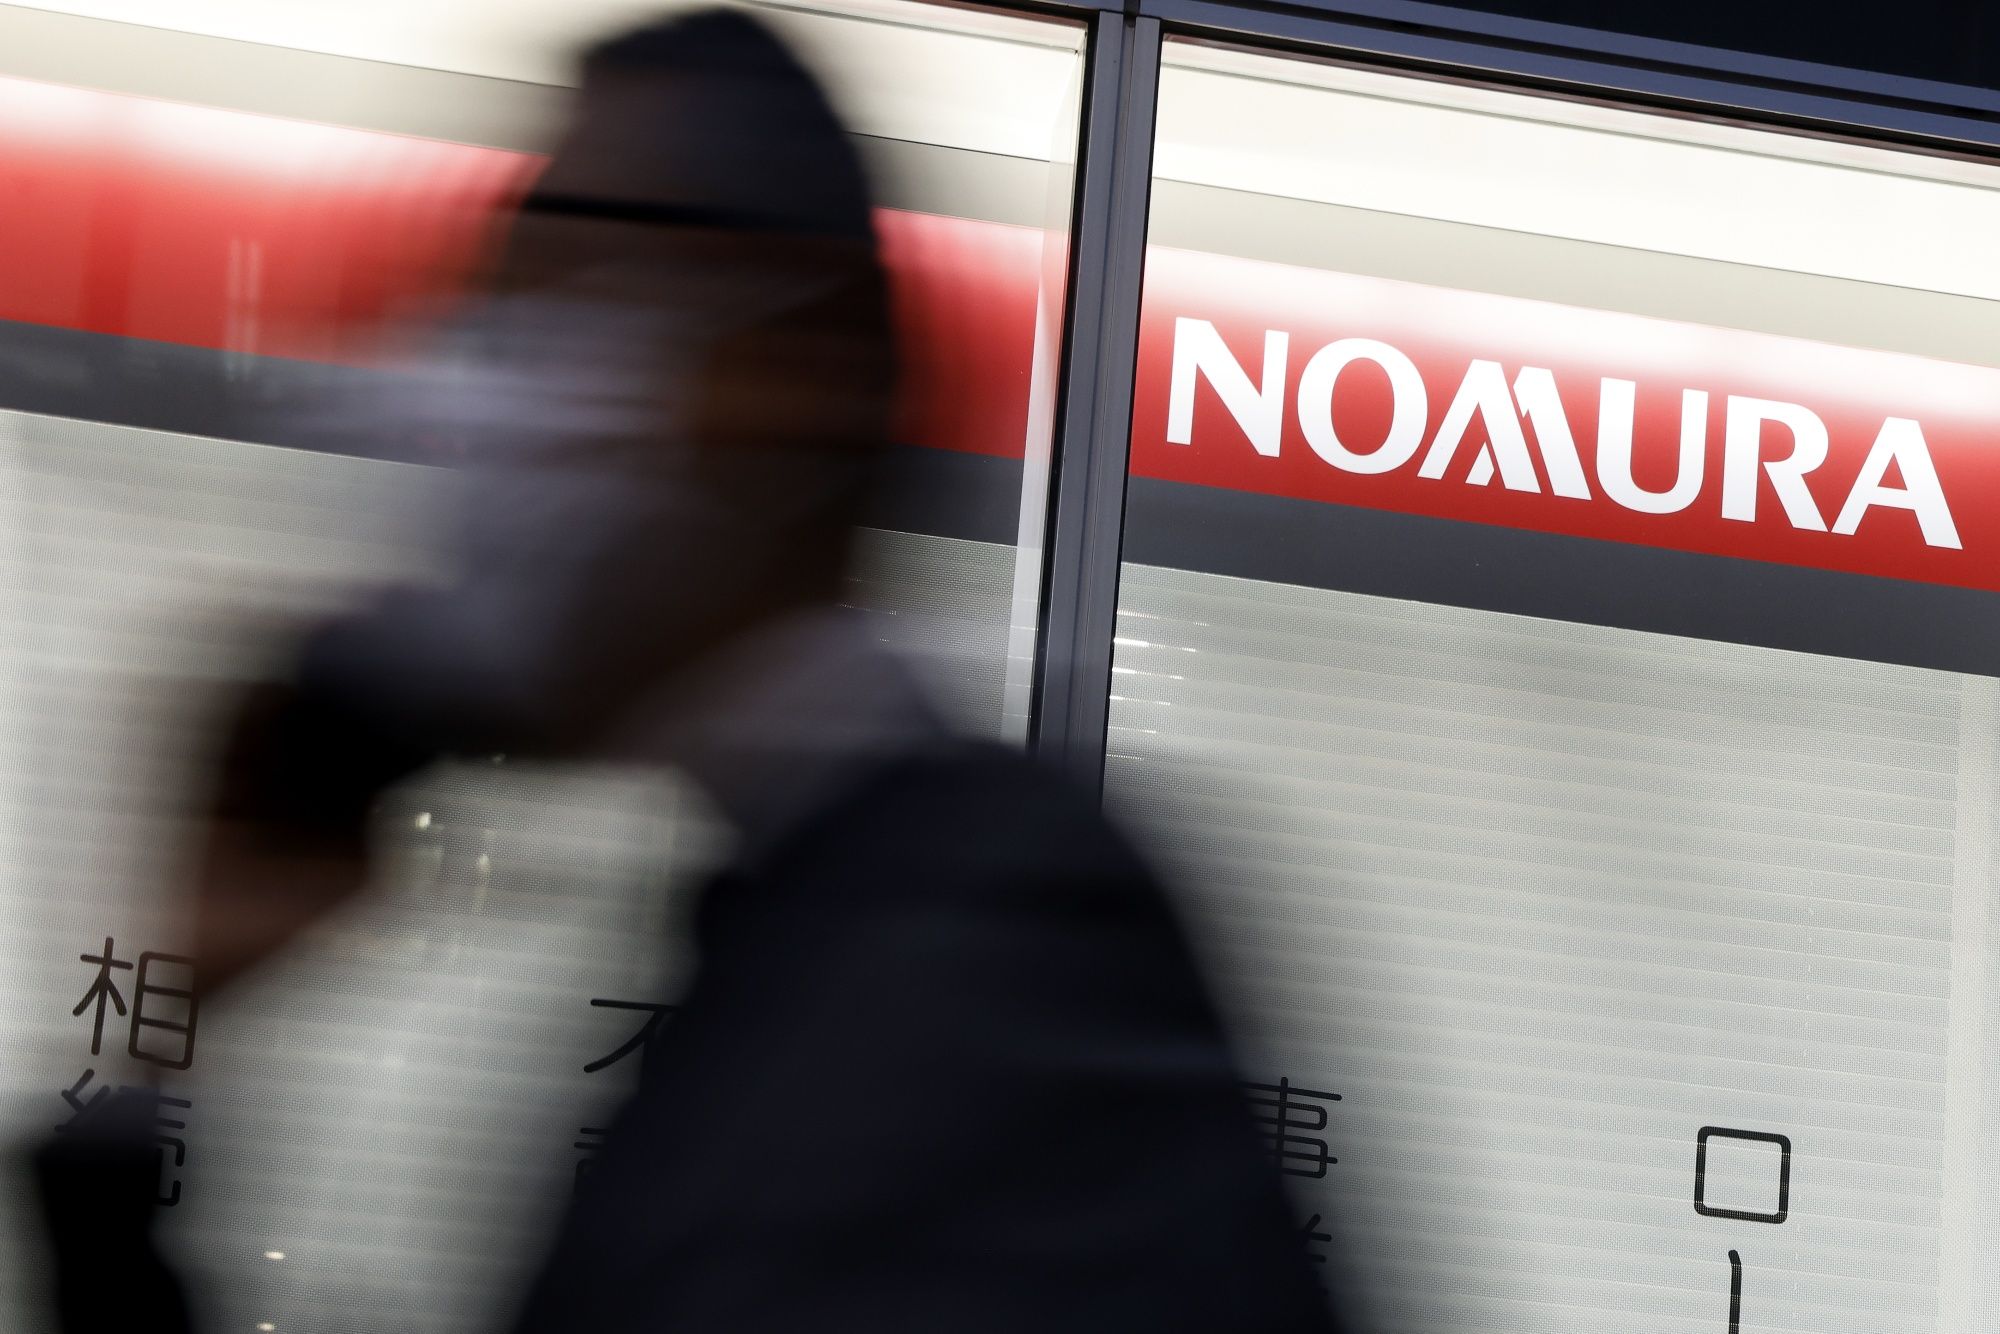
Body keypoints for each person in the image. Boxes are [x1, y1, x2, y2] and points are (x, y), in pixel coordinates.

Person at [37, 11, 1346, 1332]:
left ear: (794, 367)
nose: (476, 384)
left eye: (563, 284)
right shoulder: (793, 929)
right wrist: (168, 1059)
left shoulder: (1005, 934)